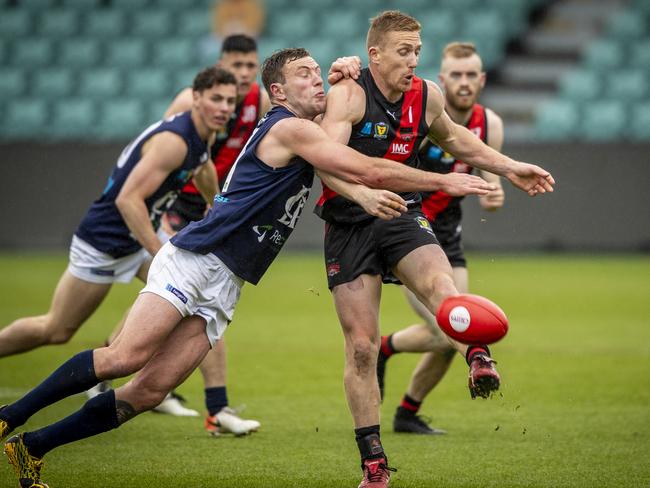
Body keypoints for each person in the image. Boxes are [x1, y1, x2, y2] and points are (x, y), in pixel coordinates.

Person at [0, 47, 500, 488]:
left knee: (148, 391)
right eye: (305, 74)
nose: (318, 80)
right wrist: (445, 181)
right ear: (278, 91)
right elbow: (358, 164)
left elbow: (339, 167)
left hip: (227, 279)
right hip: (196, 258)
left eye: (318, 73)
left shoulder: (306, 128)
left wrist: (359, 178)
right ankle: (8, 417)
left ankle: (32, 447)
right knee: (123, 358)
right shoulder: (289, 126)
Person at [313, 11, 554, 486]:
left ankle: (477, 355)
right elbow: (326, 161)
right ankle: (375, 464)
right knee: (361, 347)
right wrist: (361, 193)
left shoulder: (426, 95)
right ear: (375, 54)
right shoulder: (348, 94)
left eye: (417, 51)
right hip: (349, 223)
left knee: (441, 285)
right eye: (404, 51)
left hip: (402, 214)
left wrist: (509, 167)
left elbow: (457, 138)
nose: (413, 61)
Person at [92, 34, 272, 433]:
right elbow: (164, 154)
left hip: (212, 211)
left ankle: (113, 379)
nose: (243, 74)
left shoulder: (258, 102)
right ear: (221, 65)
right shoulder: (190, 102)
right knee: (188, 305)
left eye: (250, 65)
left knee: (188, 306)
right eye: (236, 65)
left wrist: (220, 203)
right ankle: (208, 406)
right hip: (176, 210)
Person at [0, 67, 236, 365]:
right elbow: (128, 200)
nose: (225, 108)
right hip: (106, 239)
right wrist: (160, 252)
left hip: (140, 232)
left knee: (188, 300)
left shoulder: (205, 134)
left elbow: (202, 166)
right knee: (56, 329)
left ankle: (113, 376)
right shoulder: (174, 142)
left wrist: (214, 205)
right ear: (197, 98)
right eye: (217, 99)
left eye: (230, 101)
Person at [377, 41, 508, 436]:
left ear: (482, 79)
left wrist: (495, 194)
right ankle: (389, 351)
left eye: (472, 75)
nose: (464, 82)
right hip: (411, 232)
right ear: (442, 79)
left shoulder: (491, 124)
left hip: (448, 239)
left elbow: (491, 184)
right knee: (453, 328)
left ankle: (406, 410)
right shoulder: (421, 116)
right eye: (457, 74)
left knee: (456, 331)